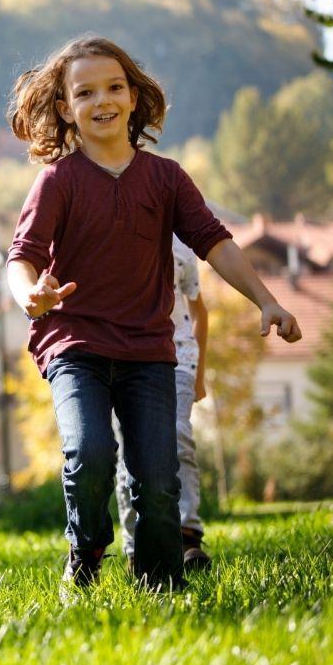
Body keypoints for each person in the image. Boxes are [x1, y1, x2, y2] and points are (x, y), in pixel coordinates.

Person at [5, 35, 301, 593]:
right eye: (85, 92)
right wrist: (30, 296)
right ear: (66, 108)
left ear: (134, 98)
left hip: (147, 351)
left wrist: (268, 300)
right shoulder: (58, 182)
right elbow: (20, 257)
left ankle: (160, 582)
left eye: (115, 87)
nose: (103, 100)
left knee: (159, 479)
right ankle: (86, 551)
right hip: (76, 347)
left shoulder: (165, 178)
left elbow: (215, 242)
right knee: (88, 451)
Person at [115, 237, 212, 570]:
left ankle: (187, 536)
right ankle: (136, 546)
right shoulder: (110, 229)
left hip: (178, 356)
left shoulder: (180, 245)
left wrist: (199, 375)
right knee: (130, 454)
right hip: (121, 358)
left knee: (177, 435)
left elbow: (199, 311)